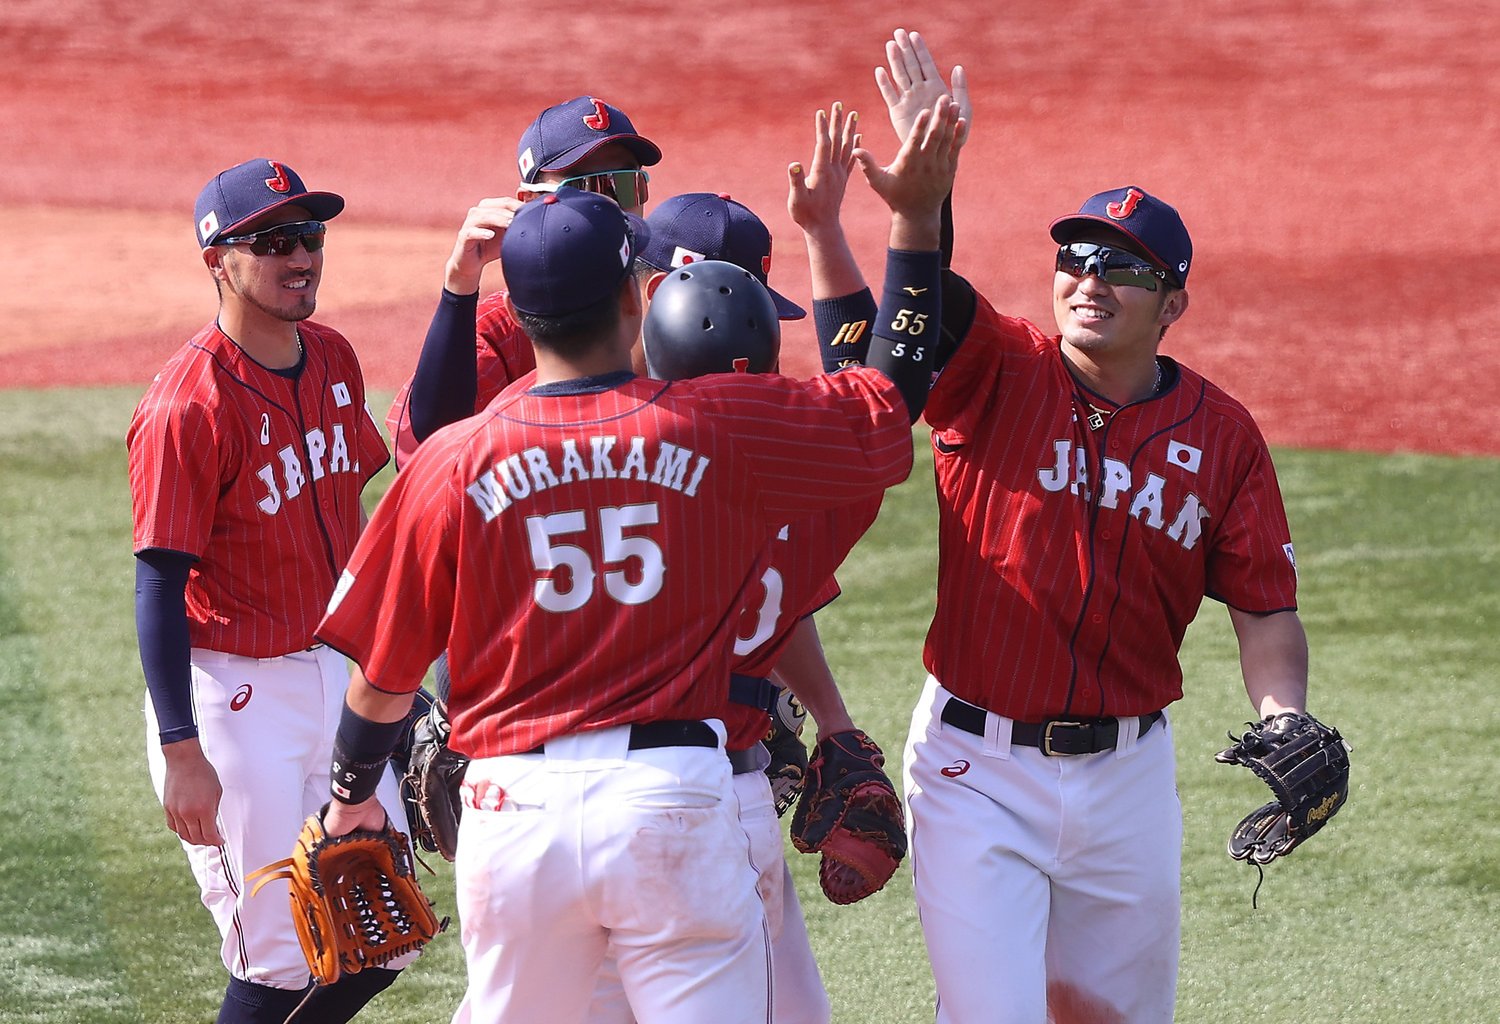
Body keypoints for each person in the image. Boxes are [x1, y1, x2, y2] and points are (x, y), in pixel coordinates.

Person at [311, 95, 965, 1024]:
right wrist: (911, 220)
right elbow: (891, 398)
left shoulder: (457, 459)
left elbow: (380, 680)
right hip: (673, 801)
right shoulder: (725, 429)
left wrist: (347, 801)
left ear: (521, 316)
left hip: (514, 812)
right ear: (634, 297)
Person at [876, 35, 1311, 1024]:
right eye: (1074, 256)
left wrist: (1283, 712)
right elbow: (923, 301)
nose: (1088, 277)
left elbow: (1265, 608)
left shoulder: (1223, 434)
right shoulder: (998, 367)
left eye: (1123, 266)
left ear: (1174, 303)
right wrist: (924, 197)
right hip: (974, 768)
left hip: (1128, 780)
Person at [126, 158, 411, 1023]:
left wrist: (390, 677)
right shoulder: (187, 405)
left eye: (311, 235)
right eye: (275, 240)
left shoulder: (332, 356)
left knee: (373, 937)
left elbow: (361, 510)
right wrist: (183, 751)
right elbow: (158, 583)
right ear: (219, 258)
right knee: (282, 960)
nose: (302, 256)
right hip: (236, 700)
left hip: (337, 676)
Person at [385, 94, 662, 469]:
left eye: (625, 185)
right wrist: (459, 285)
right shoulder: (501, 327)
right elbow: (425, 448)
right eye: (589, 186)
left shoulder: (673, 297)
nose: (610, 205)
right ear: (530, 201)